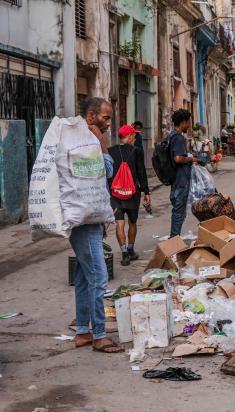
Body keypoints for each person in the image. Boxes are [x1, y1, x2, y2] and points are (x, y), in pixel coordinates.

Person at [73, 97, 123, 353]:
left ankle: (83, 331)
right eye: (105, 118)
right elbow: (106, 170)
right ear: (91, 116)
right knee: (98, 278)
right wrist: (103, 143)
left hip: (86, 218)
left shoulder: (80, 138)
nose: (107, 123)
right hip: (85, 222)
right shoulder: (86, 141)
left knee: (83, 277)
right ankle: (100, 335)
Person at [108, 124, 150, 266]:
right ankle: (131, 250)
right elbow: (141, 172)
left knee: (119, 223)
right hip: (132, 193)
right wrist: (146, 192)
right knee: (132, 222)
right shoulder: (136, 151)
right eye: (134, 135)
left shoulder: (110, 151)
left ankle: (124, 252)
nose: (135, 137)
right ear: (130, 136)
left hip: (115, 193)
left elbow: (107, 173)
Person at [168, 109, 198, 238]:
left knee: (179, 210)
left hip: (176, 178)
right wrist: (191, 159)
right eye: (188, 122)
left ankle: (174, 237)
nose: (189, 125)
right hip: (180, 180)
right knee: (179, 211)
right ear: (183, 122)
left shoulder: (171, 136)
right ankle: (174, 238)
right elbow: (178, 158)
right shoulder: (178, 138)